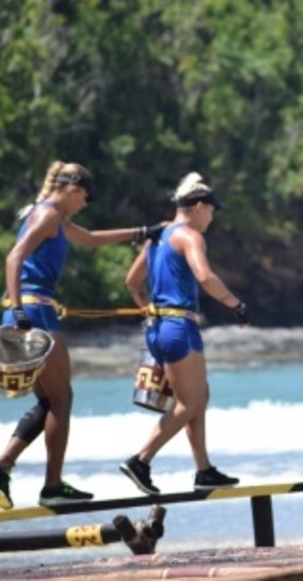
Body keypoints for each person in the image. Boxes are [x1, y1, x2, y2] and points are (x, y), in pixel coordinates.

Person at [0, 161, 163, 509]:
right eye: (85, 199)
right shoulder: (48, 215)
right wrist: (20, 311)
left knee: (50, 401)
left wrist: (143, 231)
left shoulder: (54, 218)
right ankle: (51, 486)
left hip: (27, 310)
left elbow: (90, 239)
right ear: (73, 189)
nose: (85, 205)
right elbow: (13, 258)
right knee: (63, 400)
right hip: (33, 312)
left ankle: (1, 466)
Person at [119, 172, 247, 496]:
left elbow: (132, 282)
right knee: (189, 402)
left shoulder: (157, 236)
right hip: (179, 328)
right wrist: (236, 305)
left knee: (198, 397)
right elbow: (205, 276)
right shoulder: (190, 236)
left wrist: (148, 308)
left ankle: (204, 470)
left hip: (159, 329)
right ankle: (140, 460)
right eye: (212, 211)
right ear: (200, 206)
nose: (211, 218)